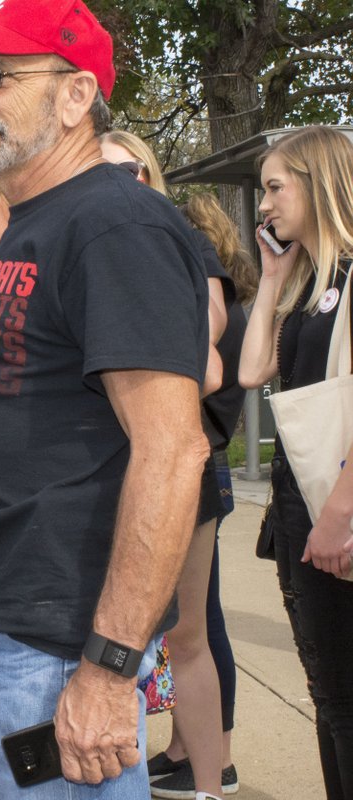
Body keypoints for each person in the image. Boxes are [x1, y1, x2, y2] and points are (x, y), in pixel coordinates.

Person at [0, 3, 211, 799]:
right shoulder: (33, 225)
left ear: (75, 95)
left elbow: (172, 449)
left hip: (59, 644)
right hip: (6, 622)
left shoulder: (114, 226)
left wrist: (110, 669)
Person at [100, 129, 232, 800]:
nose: (122, 183)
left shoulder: (179, 239)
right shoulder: (89, 247)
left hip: (173, 463)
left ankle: (209, 785)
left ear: (153, 177)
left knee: (185, 633)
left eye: (134, 171)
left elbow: (206, 359)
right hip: (102, 474)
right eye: (106, 172)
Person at [238, 125, 353, 800]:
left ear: (320, 182)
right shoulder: (311, 281)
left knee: (342, 695)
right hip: (299, 506)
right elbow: (254, 368)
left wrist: (338, 516)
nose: (265, 206)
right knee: (327, 688)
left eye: (276, 188)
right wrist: (274, 276)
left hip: (331, 510)